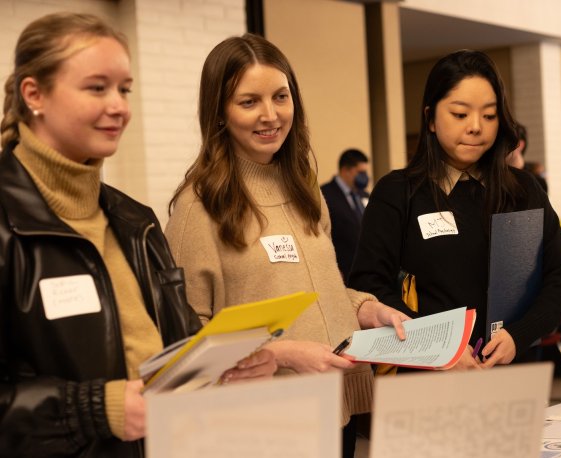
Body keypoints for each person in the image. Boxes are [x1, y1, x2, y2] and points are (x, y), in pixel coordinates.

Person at [0, 13, 277, 457]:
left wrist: (223, 363)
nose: (119, 107)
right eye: (97, 88)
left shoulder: (135, 222)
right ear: (34, 94)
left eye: (124, 89)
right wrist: (95, 410)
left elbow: (173, 345)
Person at [165, 34, 408, 457]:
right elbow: (185, 342)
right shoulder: (199, 206)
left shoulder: (304, 190)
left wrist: (366, 309)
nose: (270, 115)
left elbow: (317, 290)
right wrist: (280, 354)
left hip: (337, 405)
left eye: (281, 96)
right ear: (219, 112)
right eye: (249, 102)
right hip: (263, 422)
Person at [349, 50, 561, 370]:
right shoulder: (398, 192)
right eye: (460, 114)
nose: (475, 127)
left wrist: (519, 335)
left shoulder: (523, 189)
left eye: (489, 115)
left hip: (513, 369)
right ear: (430, 118)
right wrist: (438, 350)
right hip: (427, 376)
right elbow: (370, 286)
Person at [320, 148, 370, 279]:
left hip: (365, 270)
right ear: (345, 170)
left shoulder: (364, 195)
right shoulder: (325, 195)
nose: (365, 176)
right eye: (360, 172)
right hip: (341, 271)